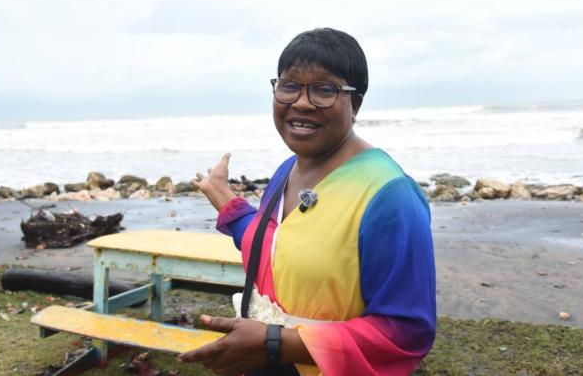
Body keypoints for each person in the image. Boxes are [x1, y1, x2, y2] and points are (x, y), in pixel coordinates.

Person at [179, 28, 435, 375]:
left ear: (355, 103)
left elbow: (406, 332)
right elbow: (278, 247)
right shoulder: (287, 170)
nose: (301, 101)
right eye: (289, 86)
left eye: (324, 89)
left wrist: (274, 344)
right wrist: (225, 199)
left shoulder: (389, 196)